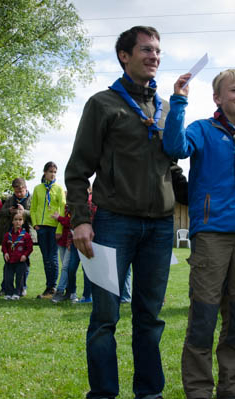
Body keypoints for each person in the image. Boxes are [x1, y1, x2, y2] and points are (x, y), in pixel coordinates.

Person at [65, 26, 186, 399]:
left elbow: (173, 168)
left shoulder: (165, 108)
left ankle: (149, 393)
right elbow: (78, 170)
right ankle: (103, 394)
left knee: (149, 319)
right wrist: (82, 219)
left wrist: (208, 202)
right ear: (124, 56)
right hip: (114, 223)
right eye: (146, 50)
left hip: (160, 228)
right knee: (105, 319)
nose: (154, 57)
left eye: (158, 51)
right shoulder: (103, 104)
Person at [163, 68, 235, 399]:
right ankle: (199, 390)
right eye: (234, 90)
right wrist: (179, 101)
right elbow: (175, 146)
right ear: (218, 97)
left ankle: (232, 388)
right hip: (211, 235)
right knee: (204, 316)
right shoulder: (203, 130)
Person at [31, 161, 65, 299]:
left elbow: (62, 209)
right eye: (50, 171)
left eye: (55, 172)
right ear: (45, 172)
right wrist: (35, 224)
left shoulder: (59, 189)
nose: (52, 174)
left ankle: (53, 287)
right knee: (46, 258)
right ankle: (48, 287)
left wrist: (59, 228)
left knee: (53, 258)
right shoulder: (38, 188)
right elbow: (33, 208)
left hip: (54, 227)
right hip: (41, 227)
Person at [0, 177, 33, 297]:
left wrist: (24, 212)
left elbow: (35, 214)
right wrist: (9, 211)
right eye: (16, 192)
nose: (19, 194)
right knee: (8, 263)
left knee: (23, 263)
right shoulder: (11, 199)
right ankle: (6, 288)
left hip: (26, 235)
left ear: (25, 188)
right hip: (11, 235)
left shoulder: (32, 199)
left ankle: (22, 288)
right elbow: (1, 211)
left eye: (21, 191)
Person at [1, 210, 33, 300]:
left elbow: (29, 248)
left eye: (20, 219)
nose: (18, 221)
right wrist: (5, 253)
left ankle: (17, 293)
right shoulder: (8, 235)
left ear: (23, 222)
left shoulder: (26, 235)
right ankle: (8, 293)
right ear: (12, 221)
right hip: (9, 261)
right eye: (15, 219)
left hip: (20, 261)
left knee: (20, 278)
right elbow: (4, 246)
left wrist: (25, 255)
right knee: (8, 278)